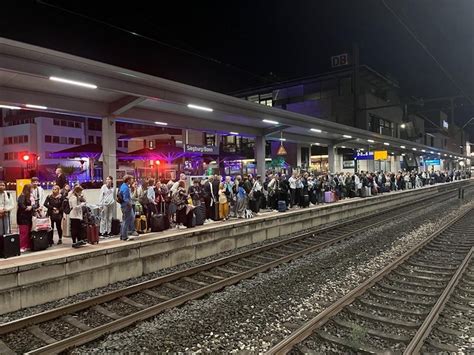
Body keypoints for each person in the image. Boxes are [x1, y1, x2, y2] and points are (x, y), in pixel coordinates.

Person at [119, 175, 137, 241]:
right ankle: (124, 236)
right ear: (128, 180)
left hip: (123, 206)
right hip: (127, 206)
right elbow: (126, 199)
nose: (132, 180)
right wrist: (130, 205)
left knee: (124, 221)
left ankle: (122, 235)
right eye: (131, 179)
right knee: (127, 220)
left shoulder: (122, 186)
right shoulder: (126, 188)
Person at [17, 184, 34, 252]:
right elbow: (21, 204)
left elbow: (33, 205)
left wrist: (32, 207)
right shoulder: (22, 196)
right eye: (31, 188)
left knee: (28, 232)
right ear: (28, 189)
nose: (32, 189)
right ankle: (22, 246)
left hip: (28, 217)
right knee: (24, 232)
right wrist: (27, 208)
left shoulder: (29, 196)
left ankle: (27, 246)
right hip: (22, 217)